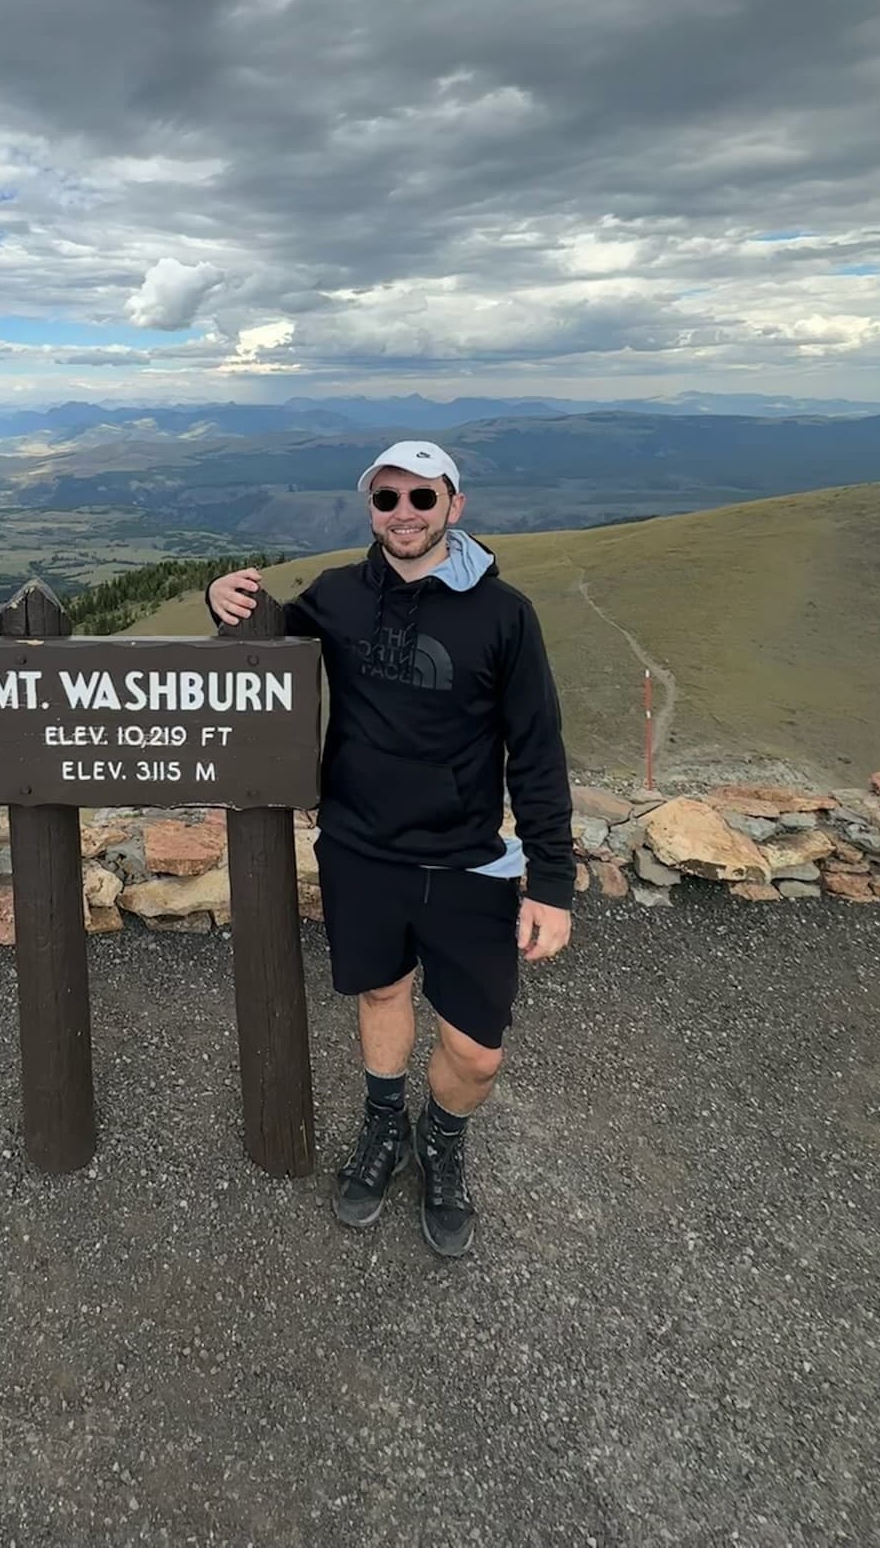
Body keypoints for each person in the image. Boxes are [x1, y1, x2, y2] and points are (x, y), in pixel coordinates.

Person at [207, 441, 574, 1258]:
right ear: (370, 509)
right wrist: (217, 596)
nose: (403, 513)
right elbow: (267, 643)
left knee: (476, 1053)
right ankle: (384, 1127)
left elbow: (537, 750)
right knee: (380, 994)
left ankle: (442, 1140)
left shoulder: (504, 614)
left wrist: (551, 880)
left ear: (454, 505)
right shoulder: (340, 594)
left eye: (421, 497)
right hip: (360, 849)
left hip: (467, 861)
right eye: (387, 499)